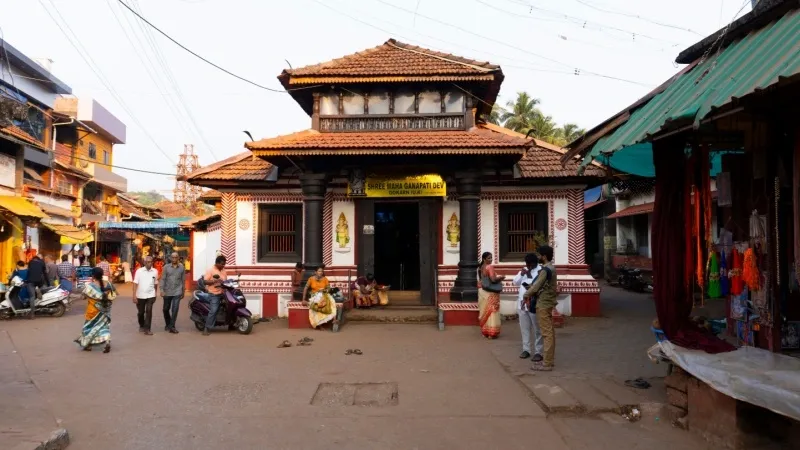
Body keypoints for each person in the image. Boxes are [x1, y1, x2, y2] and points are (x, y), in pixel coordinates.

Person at [523, 245, 558, 372]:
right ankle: (549, 360)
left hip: (543, 303)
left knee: (546, 334)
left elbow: (536, 286)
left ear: (544, 256)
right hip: (548, 302)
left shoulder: (545, 270)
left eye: (539, 255)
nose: (538, 257)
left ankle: (547, 363)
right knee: (550, 333)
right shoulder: (551, 268)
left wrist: (526, 294)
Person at [74, 267, 116, 353]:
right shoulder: (108, 283)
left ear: (93, 276)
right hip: (105, 311)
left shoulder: (90, 286)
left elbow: (83, 297)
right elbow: (114, 294)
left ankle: (88, 345)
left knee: (88, 328)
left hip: (92, 311)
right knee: (104, 327)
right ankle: (107, 341)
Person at [513, 253, 543, 361]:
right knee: (524, 329)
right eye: (527, 264)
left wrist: (530, 283)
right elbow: (514, 282)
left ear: (535, 263)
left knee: (537, 329)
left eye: (531, 264)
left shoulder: (541, 271)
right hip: (522, 304)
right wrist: (521, 274)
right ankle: (526, 350)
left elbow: (540, 286)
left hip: (534, 304)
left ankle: (538, 351)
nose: (529, 266)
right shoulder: (524, 270)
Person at [478, 252, 504, 339]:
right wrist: (501, 278)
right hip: (490, 292)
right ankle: (492, 332)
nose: (491, 259)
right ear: (484, 259)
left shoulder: (480, 267)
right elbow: (493, 280)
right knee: (492, 311)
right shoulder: (489, 267)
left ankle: (485, 331)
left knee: (484, 310)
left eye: (491, 258)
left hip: (482, 290)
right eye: (489, 258)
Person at [201, 255, 228, 336]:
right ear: (217, 263)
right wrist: (214, 281)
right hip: (214, 293)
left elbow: (226, 281)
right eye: (222, 264)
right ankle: (206, 328)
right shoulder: (210, 270)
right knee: (214, 310)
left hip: (223, 293)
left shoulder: (223, 270)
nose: (223, 266)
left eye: (224, 264)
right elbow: (205, 282)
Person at [133, 256, 159, 335]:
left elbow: (155, 283)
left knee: (149, 311)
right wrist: (134, 295)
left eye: (151, 262)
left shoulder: (155, 271)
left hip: (150, 295)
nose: (149, 263)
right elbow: (135, 283)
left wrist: (155, 294)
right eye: (147, 262)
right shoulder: (139, 271)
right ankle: (142, 325)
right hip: (140, 295)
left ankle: (147, 329)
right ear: (144, 263)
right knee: (141, 312)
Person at [160, 252, 185, 334]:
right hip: (167, 291)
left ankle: (172, 326)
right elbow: (162, 279)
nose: (174, 259)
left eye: (176, 257)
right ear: (170, 258)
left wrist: (183, 291)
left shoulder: (181, 267)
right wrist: (161, 290)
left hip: (177, 291)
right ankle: (168, 323)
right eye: (173, 257)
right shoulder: (166, 267)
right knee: (165, 309)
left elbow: (183, 280)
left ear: (178, 258)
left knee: (175, 309)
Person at [26, 254, 49, 320]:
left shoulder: (30, 262)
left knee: (32, 297)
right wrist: (48, 283)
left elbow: (29, 271)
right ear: (39, 259)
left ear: (33, 259)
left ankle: (32, 314)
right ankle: (40, 291)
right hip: (39, 282)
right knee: (44, 290)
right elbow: (45, 273)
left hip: (31, 281)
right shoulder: (42, 263)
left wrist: (26, 281)